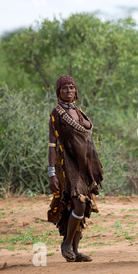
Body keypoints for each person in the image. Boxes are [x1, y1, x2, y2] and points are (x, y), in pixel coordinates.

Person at [47, 75, 103, 262]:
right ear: (58, 92)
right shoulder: (57, 114)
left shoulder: (78, 112)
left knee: (83, 205)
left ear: (76, 91)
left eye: (71, 87)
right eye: (64, 88)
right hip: (67, 165)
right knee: (78, 202)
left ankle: (76, 250)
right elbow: (52, 145)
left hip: (85, 165)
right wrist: (52, 173)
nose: (68, 91)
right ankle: (66, 243)